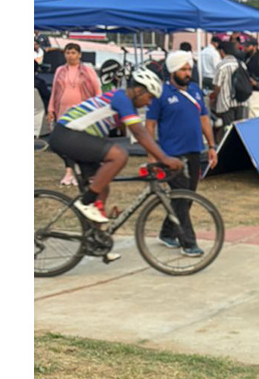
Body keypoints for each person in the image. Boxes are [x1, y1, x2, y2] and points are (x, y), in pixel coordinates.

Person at [46, 66, 183, 225]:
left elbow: (140, 133)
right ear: (139, 90)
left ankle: (95, 243)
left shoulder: (126, 103)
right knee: (119, 155)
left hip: (75, 136)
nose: (150, 103)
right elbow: (140, 133)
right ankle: (85, 202)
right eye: (150, 97)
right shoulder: (121, 98)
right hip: (67, 134)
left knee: (102, 187)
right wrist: (165, 158)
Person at [145, 52, 217, 257]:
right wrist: (152, 156)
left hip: (194, 151)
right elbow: (149, 125)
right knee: (181, 197)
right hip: (171, 155)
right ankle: (188, 242)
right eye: (183, 69)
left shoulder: (195, 90)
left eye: (189, 69)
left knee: (187, 198)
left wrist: (211, 146)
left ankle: (167, 232)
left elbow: (204, 119)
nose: (187, 73)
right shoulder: (160, 94)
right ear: (172, 70)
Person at [46, 42, 102, 187]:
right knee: (64, 142)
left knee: (80, 141)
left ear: (79, 55)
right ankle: (69, 171)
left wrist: (97, 107)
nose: (70, 56)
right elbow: (54, 91)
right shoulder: (60, 70)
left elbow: (97, 89)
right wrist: (51, 108)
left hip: (82, 110)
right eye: (68, 53)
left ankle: (81, 170)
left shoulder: (87, 70)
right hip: (63, 108)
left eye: (73, 53)